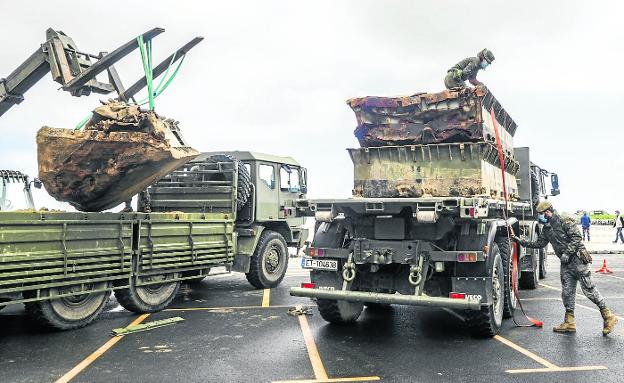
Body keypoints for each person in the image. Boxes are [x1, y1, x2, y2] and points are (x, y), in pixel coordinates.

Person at [512, 200, 618, 335]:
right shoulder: (547, 228)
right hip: (566, 264)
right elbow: (539, 243)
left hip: (578, 260)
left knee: (589, 290)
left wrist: (567, 252)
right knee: (567, 292)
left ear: (547, 212)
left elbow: (577, 237)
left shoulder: (564, 220)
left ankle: (609, 316)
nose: (540, 217)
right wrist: (519, 240)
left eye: (541, 214)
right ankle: (569, 322)